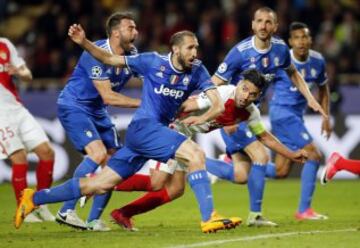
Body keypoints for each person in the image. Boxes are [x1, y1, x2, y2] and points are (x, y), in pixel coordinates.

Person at [15, 25, 241, 233]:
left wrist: (200, 118)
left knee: (99, 184)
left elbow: (218, 104)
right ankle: (209, 217)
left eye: (197, 48)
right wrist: (84, 42)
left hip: (147, 134)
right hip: (145, 127)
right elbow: (110, 58)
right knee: (196, 154)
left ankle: (34, 199)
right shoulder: (152, 61)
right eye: (190, 47)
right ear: (175, 49)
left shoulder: (198, 70)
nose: (195, 53)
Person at [108, 69, 308, 231]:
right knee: (158, 181)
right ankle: (102, 184)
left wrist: (291, 154)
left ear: (258, 96)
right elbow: (190, 103)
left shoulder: (250, 112)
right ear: (239, 84)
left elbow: (264, 137)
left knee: (175, 189)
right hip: (170, 129)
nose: (246, 96)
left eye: (253, 94)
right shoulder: (221, 93)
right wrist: (169, 120)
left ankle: (122, 212)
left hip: (182, 135)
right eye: (245, 89)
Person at [208, 7, 328, 227]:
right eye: (259, 21)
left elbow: (292, 72)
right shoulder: (240, 52)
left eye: (268, 22)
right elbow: (213, 83)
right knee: (261, 156)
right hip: (232, 114)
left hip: (249, 113)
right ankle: (255, 216)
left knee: (241, 175)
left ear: (275, 26)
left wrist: (310, 97)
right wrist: (222, 114)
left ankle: (196, 164)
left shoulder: (281, 49)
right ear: (253, 25)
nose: (263, 26)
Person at [55, 12, 141, 231]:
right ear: (115, 32)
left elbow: (150, 77)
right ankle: (66, 210)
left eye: (135, 27)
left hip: (97, 111)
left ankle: (93, 220)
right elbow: (109, 97)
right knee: (97, 154)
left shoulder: (131, 54)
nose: (136, 32)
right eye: (130, 28)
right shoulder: (94, 55)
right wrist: (144, 104)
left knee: (115, 163)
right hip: (75, 105)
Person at [267, 22, 331, 220]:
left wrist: (325, 117)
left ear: (311, 39)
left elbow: (323, 89)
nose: (301, 41)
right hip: (281, 114)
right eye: (297, 38)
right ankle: (304, 210)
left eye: (305, 37)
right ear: (290, 42)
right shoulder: (281, 60)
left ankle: (239, 163)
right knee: (313, 155)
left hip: (296, 116)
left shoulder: (318, 61)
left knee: (280, 171)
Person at [0, 37, 55, 222]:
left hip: (17, 109)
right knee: (19, 157)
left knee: (47, 152)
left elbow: (27, 74)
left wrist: (20, 72)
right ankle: (24, 209)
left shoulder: (5, 45)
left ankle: (41, 205)